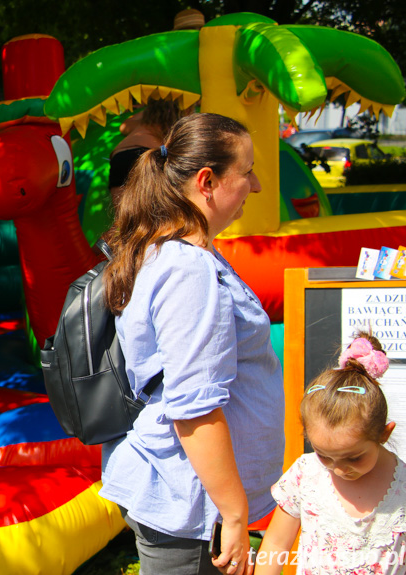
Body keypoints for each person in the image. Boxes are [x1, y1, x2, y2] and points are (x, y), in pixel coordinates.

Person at [99, 113, 283, 575]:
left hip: (196, 497)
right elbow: (194, 407)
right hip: (187, 500)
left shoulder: (178, 250)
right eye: (246, 171)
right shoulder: (188, 269)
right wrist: (237, 513)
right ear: (207, 181)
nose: (256, 185)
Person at [255, 334, 406, 574]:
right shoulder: (304, 475)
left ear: (384, 433)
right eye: (324, 455)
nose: (339, 468)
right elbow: (276, 544)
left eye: (354, 457)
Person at [108, 99, 186, 199]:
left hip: (120, 155)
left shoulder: (146, 118)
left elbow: (123, 127)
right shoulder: (179, 121)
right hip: (148, 156)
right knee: (152, 209)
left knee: (124, 211)